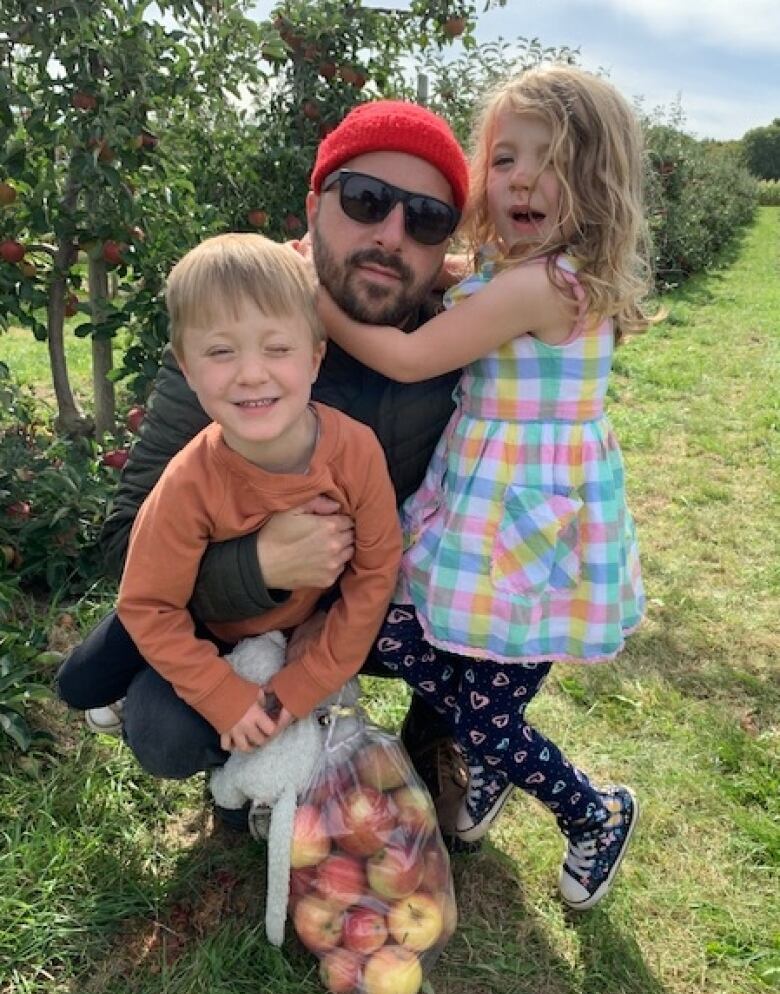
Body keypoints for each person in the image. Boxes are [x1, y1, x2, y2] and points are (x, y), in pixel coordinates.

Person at [61, 101, 474, 839]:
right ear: (315, 204)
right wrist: (261, 562)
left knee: (524, 543)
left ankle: (438, 730)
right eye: (366, 200)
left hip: (379, 604)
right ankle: (241, 757)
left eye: (427, 219)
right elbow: (128, 540)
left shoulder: (466, 342)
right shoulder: (239, 336)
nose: (390, 234)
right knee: (164, 729)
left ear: (447, 246)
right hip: (243, 613)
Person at [317, 65, 654, 910]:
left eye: (554, 163)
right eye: (505, 160)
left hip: (523, 530)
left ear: (597, 183)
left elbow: (404, 353)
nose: (523, 180)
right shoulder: (525, 270)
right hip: (491, 510)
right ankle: (492, 755)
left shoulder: (539, 286)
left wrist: (309, 294)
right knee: (398, 635)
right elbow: (462, 276)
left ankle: (595, 812)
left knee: (487, 711)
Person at [58, 233, 402, 754]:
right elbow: (150, 605)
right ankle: (123, 667)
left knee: (165, 734)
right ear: (188, 368)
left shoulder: (356, 453)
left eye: (277, 348)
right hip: (194, 615)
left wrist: (304, 683)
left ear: (314, 358)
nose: (251, 373)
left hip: (281, 628)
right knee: (79, 685)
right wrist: (221, 693)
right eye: (221, 352)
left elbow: (376, 574)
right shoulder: (188, 477)